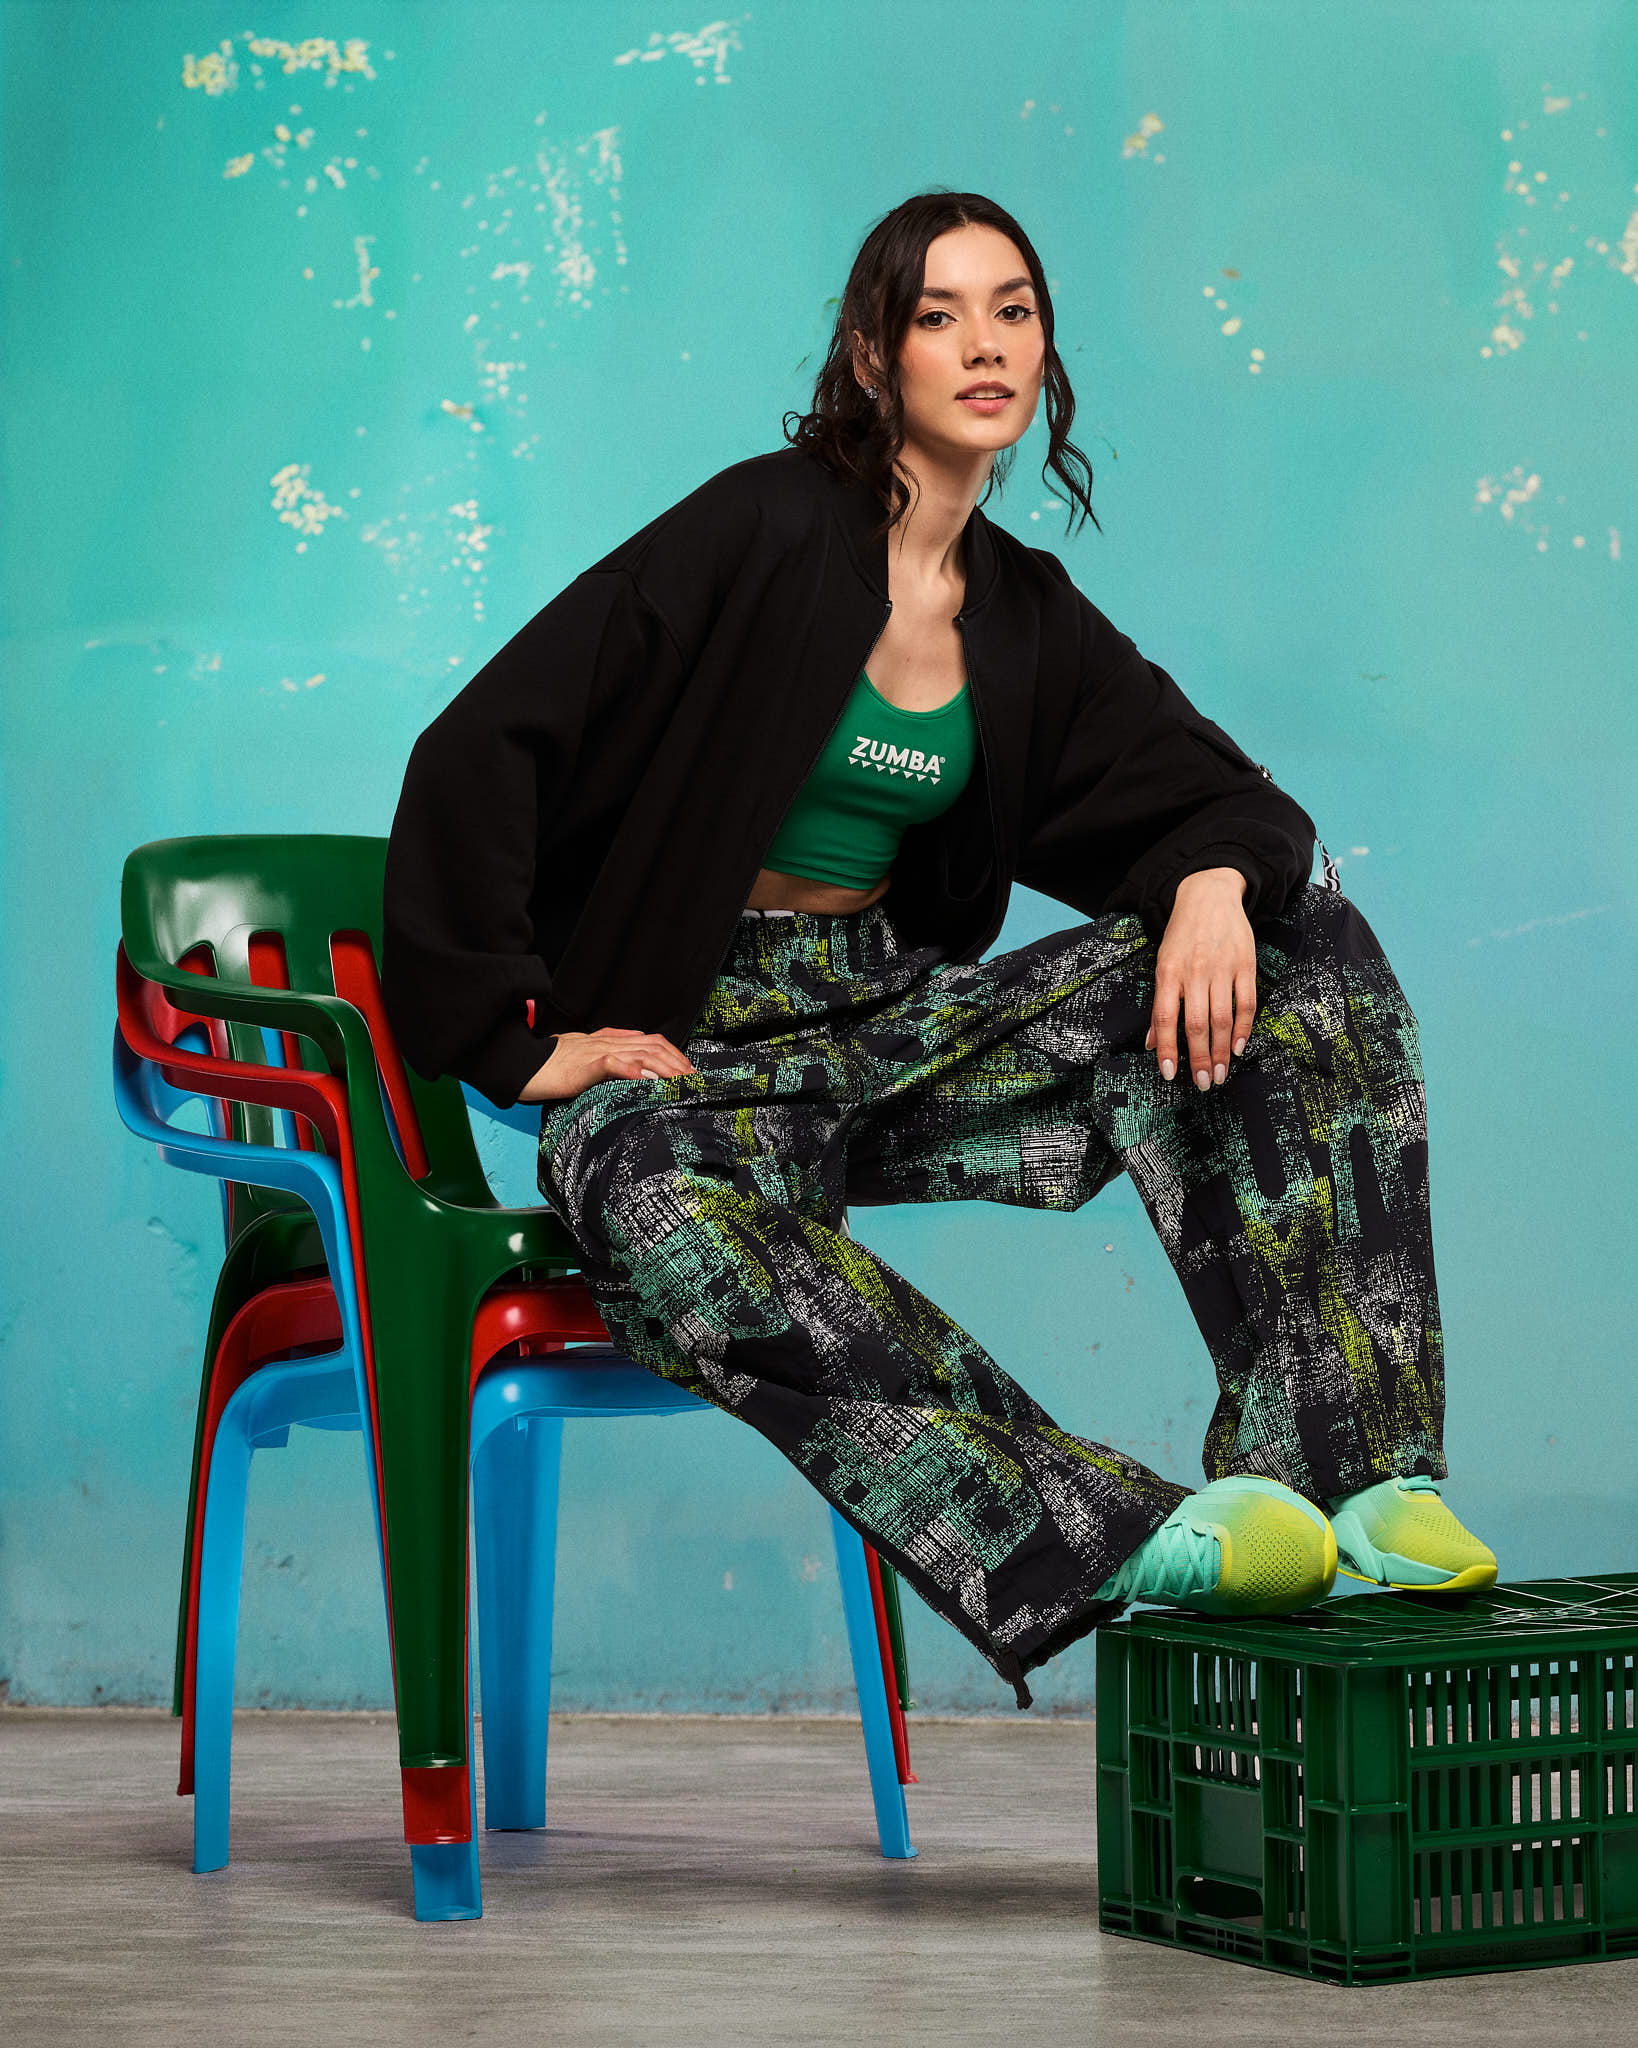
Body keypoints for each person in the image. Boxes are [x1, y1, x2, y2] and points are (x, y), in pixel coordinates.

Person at [382, 190, 1496, 1709]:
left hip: (882, 1027)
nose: (984, 345)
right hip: (686, 1051)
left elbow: (1232, 803)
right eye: (938, 313)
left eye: (1014, 310)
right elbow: (476, 752)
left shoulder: (1022, 617)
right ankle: (1116, 1531)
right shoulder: (757, 528)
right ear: (868, 356)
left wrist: (1216, 886)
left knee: (1301, 951)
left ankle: (1351, 1477)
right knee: (641, 1204)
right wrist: (517, 1042)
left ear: (1044, 351)